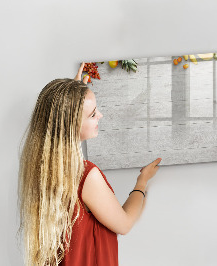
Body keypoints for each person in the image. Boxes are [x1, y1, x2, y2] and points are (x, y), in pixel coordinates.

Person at [18, 63, 161, 266]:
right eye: (93, 114)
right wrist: (142, 182)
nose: (100, 116)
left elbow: (60, 118)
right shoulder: (86, 175)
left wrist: (73, 94)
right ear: (71, 124)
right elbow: (125, 223)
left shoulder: (40, 167)